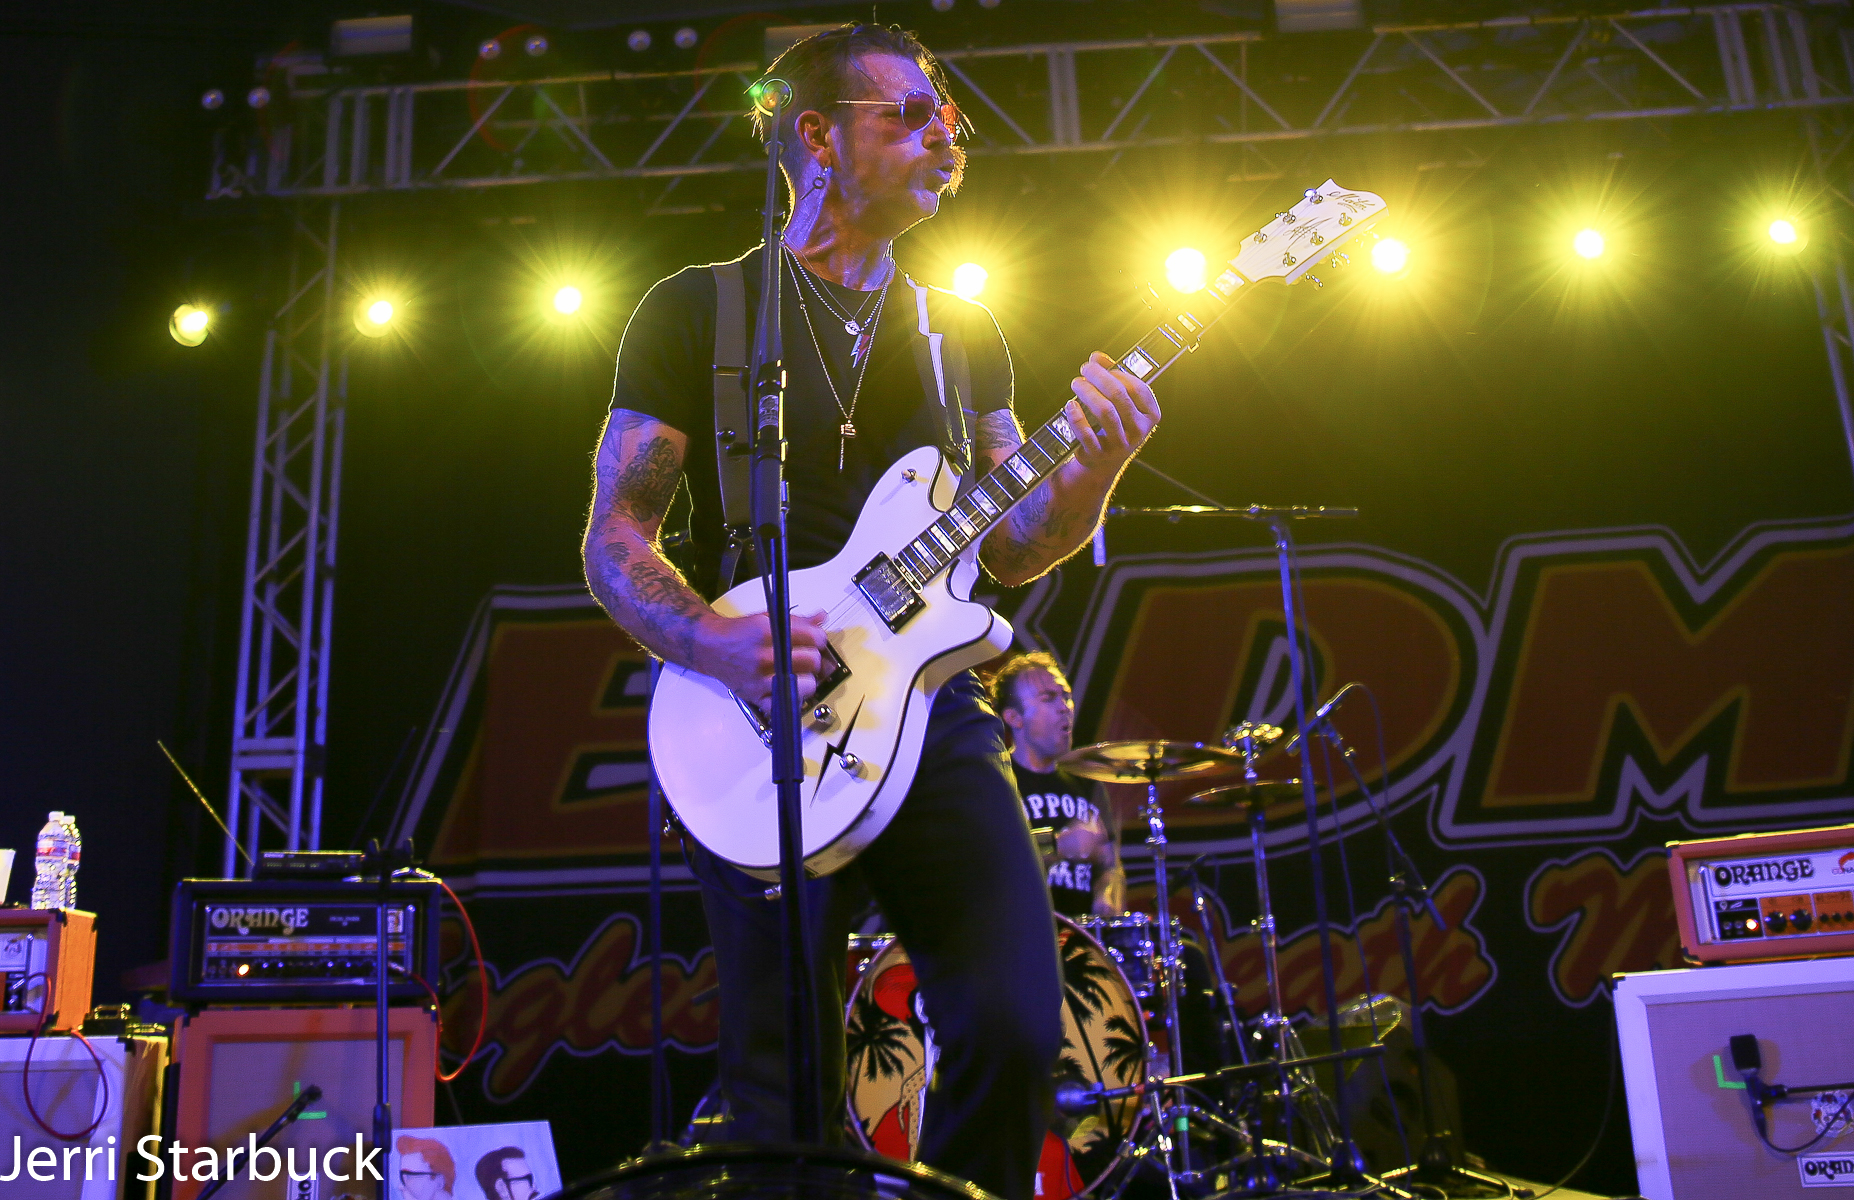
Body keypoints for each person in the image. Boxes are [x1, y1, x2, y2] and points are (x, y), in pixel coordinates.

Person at [581, 23, 1160, 1200]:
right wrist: (712, 640)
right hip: (762, 714)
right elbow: (616, 535)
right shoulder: (700, 311)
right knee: (781, 1096)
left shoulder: (961, 337)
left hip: (934, 712)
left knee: (1016, 1025)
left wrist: (1096, 470)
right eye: (910, 114)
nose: (948, 134)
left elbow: (1013, 546)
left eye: (951, 117)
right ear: (818, 137)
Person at [991, 652, 1124, 919]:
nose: (1064, 707)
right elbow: (989, 863)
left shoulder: (1088, 783)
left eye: (1066, 696)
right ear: (1014, 717)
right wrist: (1059, 845)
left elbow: (1110, 866)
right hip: (1022, 932)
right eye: (1048, 698)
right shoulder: (995, 781)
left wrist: (1106, 895)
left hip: (1082, 935)